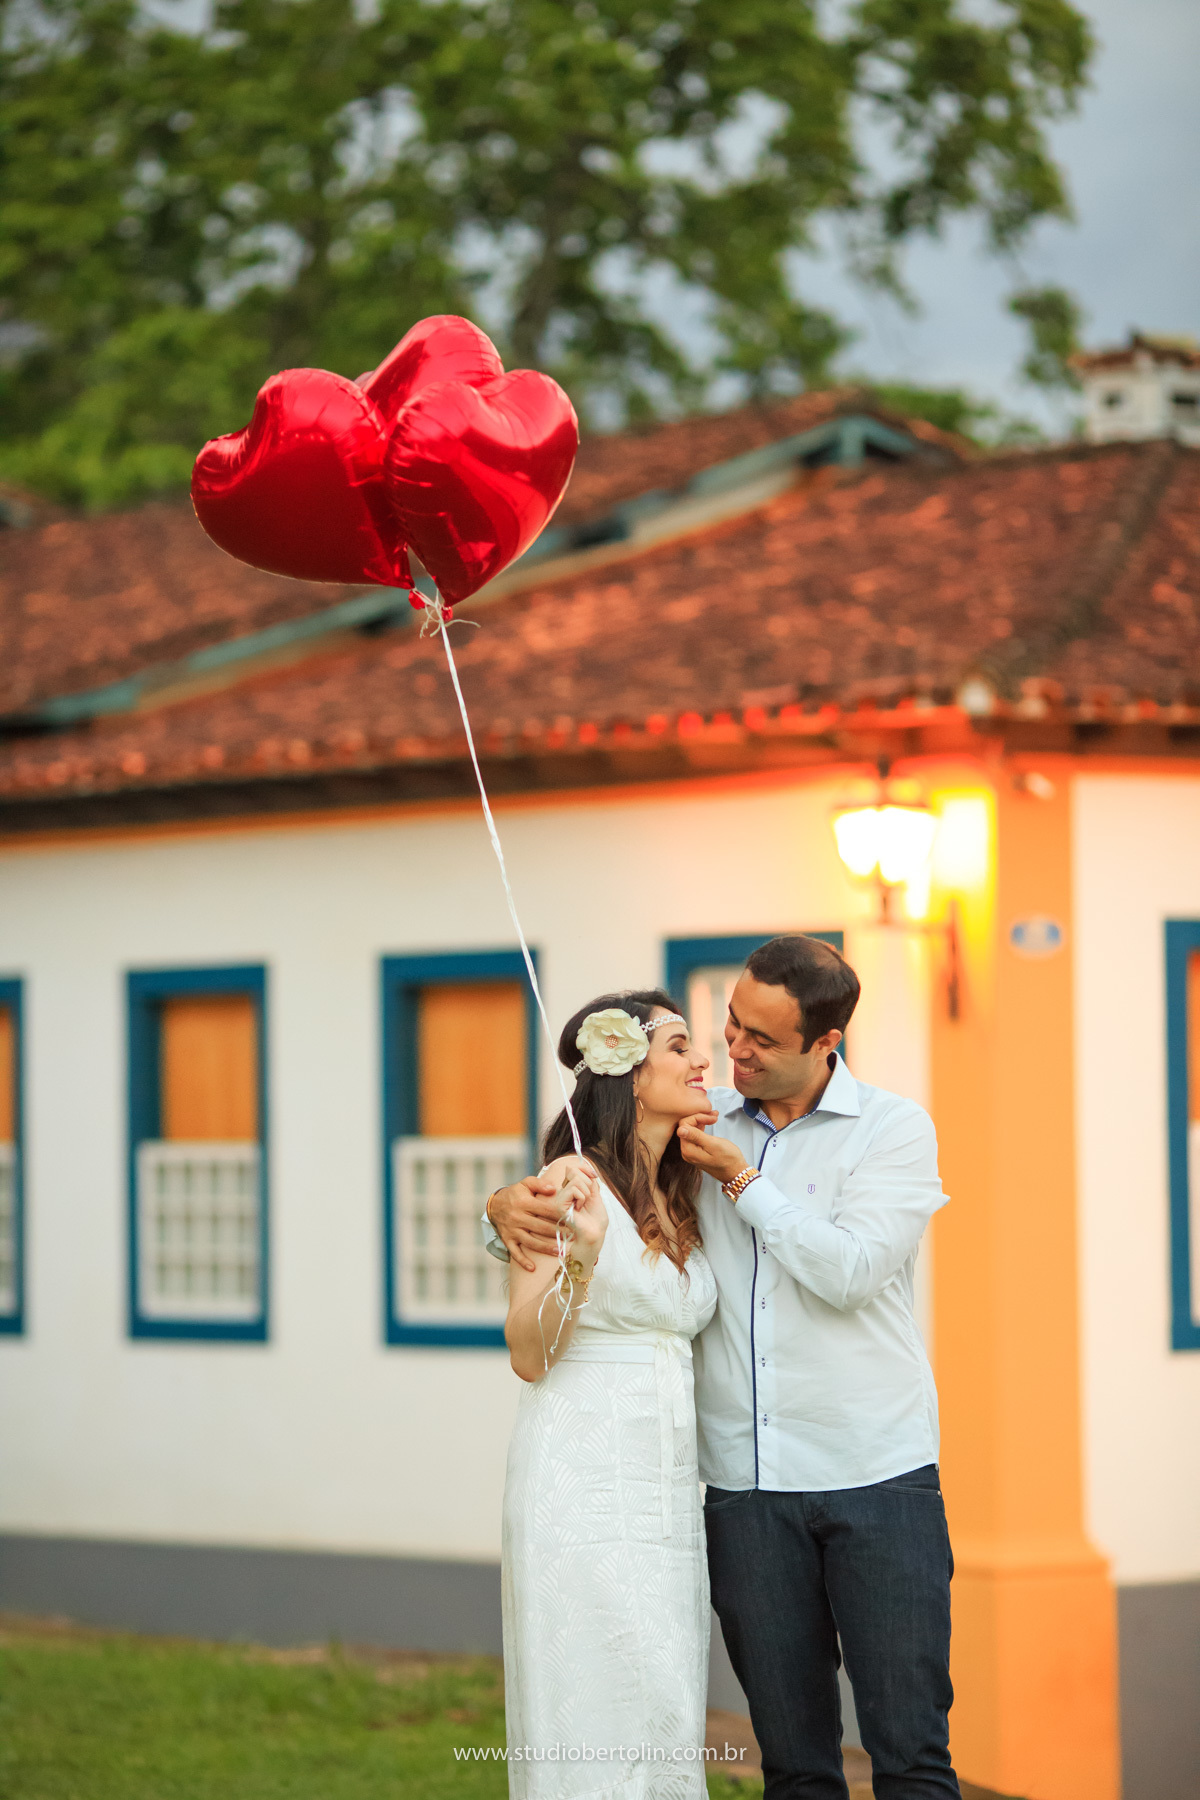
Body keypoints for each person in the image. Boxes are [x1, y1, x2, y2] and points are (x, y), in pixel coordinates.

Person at [487, 936, 960, 1800]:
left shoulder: (890, 1131)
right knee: (794, 1763)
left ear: (826, 1045)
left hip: (875, 1475)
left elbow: (851, 1271)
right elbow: (595, 1183)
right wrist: (503, 1205)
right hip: (739, 1494)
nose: (730, 1051)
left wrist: (745, 1183)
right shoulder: (698, 1134)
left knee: (910, 1753)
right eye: (730, 1026)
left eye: (761, 1041)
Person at [499, 989, 718, 1799]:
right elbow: (529, 1350)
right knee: (593, 1703)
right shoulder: (570, 1186)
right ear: (628, 1075)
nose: (705, 1062)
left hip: (663, 1493)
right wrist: (584, 1258)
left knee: (661, 1699)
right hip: (580, 1478)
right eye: (681, 1046)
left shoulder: (680, 1194)